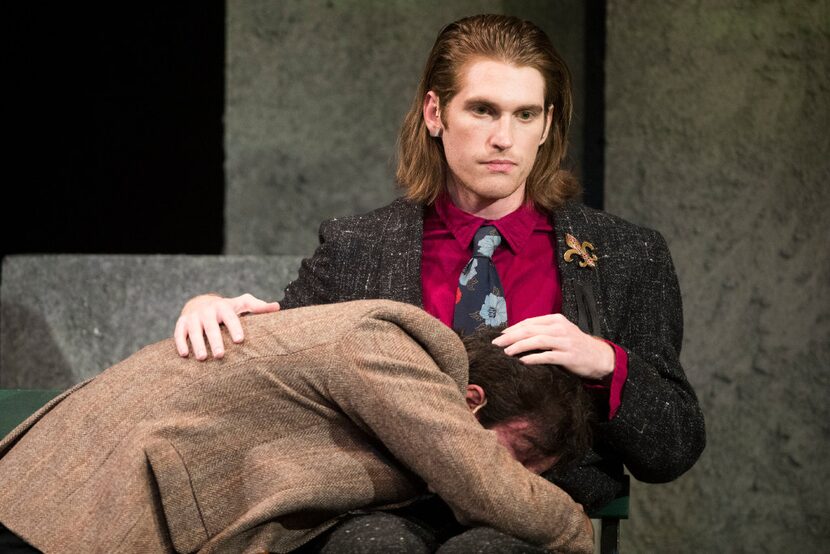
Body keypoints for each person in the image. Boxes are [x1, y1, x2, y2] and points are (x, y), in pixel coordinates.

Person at [174, 10, 705, 540]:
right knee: (373, 544)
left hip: (537, 511)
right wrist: (210, 309)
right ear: (436, 112)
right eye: (482, 110)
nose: (504, 138)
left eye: (524, 115)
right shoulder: (359, 246)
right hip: (384, 507)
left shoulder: (625, 254)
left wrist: (605, 363)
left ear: (546, 124)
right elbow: (285, 373)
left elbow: (673, 447)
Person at [0, 300, 594, 553]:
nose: (524, 476)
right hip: (63, 510)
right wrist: (572, 528)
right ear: (470, 401)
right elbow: (480, 481)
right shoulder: (384, 349)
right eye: (524, 452)